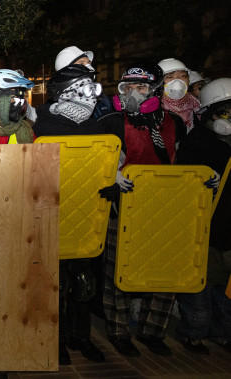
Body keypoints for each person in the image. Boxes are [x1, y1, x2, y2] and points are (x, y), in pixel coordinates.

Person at [33, 64, 123, 365]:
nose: (91, 93)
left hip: (86, 214)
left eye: (92, 85)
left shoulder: (95, 126)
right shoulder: (41, 125)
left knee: (85, 282)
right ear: (65, 90)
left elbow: (103, 164)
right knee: (53, 284)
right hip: (51, 215)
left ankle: (80, 336)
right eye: (83, 86)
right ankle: (54, 339)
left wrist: (112, 185)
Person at [102, 63, 185, 358]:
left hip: (165, 206)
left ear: (156, 91)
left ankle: (152, 330)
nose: (133, 94)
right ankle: (118, 331)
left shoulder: (176, 123)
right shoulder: (111, 121)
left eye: (141, 88)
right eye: (127, 88)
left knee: (165, 270)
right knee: (118, 271)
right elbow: (100, 161)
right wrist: (110, 178)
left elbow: (183, 162)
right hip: (123, 206)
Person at [174, 78, 231, 355]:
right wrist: (202, 178)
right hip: (202, 223)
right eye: (224, 112)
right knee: (200, 281)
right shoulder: (196, 141)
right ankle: (193, 332)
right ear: (208, 114)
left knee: (225, 284)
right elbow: (183, 179)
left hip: (228, 226)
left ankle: (224, 332)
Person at [158, 58, 199, 134]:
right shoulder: (156, 106)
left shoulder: (195, 102)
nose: (178, 81)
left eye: (183, 76)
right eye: (170, 77)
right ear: (159, 81)